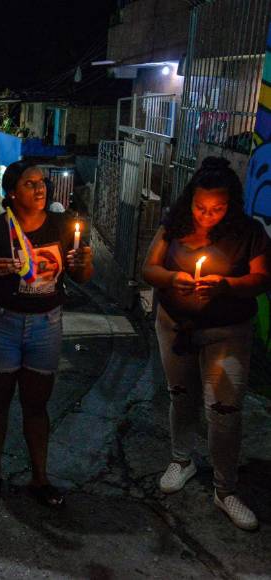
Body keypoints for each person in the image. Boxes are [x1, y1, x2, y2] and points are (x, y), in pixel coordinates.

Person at [141, 157, 270, 531]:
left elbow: (263, 278)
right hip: (175, 326)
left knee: (224, 409)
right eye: (200, 207)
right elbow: (148, 269)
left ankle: (225, 488)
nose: (207, 215)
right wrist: (172, 277)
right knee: (180, 394)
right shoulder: (174, 224)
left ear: (232, 204)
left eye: (217, 208)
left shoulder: (249, 232)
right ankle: (181, 460)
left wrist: (226, 285)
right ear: (190, 200)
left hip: (227, 331)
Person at [0, 160, 93, 507]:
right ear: (11, 192)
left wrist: (83, 264)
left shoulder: (62, 226)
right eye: (29, 184)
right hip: (0, 324)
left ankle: (40, 477)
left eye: (42, 183)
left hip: (46, 325)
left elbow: (80, 276)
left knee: (37, 404)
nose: (40, 189)